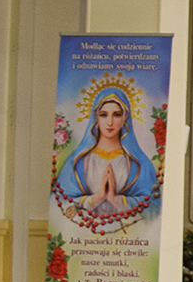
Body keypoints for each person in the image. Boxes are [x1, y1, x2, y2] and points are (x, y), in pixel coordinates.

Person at [54, 85, 159, 233]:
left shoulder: (139, 163)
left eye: (116, 115)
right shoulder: (78, 162)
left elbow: (155, 208)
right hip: (82, 238)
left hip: (129, 238)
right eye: (103, 115)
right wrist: (96, 199)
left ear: (125, 118)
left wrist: (117, 200)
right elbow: (58, 204)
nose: (110, 122)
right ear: (96, 117)